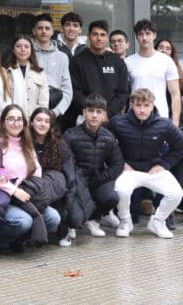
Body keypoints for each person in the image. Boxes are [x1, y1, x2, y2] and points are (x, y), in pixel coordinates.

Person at [0, 104, 61, 254]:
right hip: (5, 198)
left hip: (26, 197)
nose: (15, 123)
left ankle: (18, 241)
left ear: (24, 123)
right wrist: (13, 190)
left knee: (53, 217)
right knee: (23, 221)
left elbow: (37, 170)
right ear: (3, 122)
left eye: (19, 119)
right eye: (11, 119)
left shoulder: (26, 145)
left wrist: (33, 190)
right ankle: (0, 242)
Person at [109, 88, 183, 238]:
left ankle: (158, 221)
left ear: (152, 105)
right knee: (121, 191)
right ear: (132, 105)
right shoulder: (118, 121)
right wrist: (121, 162)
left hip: (153, 169)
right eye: (138, 105)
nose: (142, 110)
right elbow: (107, 145)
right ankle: (125, 220)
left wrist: (164, 165)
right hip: (128, 169)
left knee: (176, 193)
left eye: (146, 105)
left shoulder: (164, 124)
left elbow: (180, 147)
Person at [63, 95, 123, 237]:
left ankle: (92, 220)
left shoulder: (109, 137)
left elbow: (118, 164)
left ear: (104, 114)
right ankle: (71, 225)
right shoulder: (70, 135)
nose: (94, 115)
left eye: (99, 112)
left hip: (96, 179)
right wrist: (78, 179)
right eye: (91, 111)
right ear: (84, 112)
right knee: (70, 198)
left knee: (111, 197)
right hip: (75, 181)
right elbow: (65, 164)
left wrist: (101, 178)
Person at [68, 20, 129, 127]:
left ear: (107, 38)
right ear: (88, 37)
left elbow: (122, 93)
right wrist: (92, 113)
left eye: (102, 35)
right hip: (85, 118)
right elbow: (75, 91)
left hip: (111, 119)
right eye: (95, 34)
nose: (99, 38)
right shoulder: (77, 61)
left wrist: (107, 114)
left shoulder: (117, 62)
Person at [30, 107, 73, 246]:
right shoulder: (24, 143)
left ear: (51, 125)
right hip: (32, 186)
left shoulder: (60, 145)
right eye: (39, 120)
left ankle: (63, 233)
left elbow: (69, 172)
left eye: (46, 121)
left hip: (55, 187)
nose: (42, 124)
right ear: (31, 123)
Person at [125, 19, 180, 126]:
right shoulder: (128, 62)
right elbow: (123, 94)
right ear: (136, 37)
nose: (144, 38)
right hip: (134, 118)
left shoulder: (166, 61)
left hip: (160, 117)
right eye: (140, 34)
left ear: (154, 35)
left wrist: (175, 122)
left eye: (148, 33)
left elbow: (175, 94)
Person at [31, 13, 72, 119]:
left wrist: (55, 112)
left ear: (52, 31)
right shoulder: (26, 53)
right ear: (34, 31)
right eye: (40, 28)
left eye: (47, 28)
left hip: (54, 107)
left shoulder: (62, 57)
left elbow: (67, 90)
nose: (43, 31)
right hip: (31, 106)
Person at [5, 34, 49, 119]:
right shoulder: (6, 72)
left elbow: (43, 101)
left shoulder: (39, 73)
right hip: (12, 120)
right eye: (18, 46)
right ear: (13, 50)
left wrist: (37, 120)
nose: (23, 49)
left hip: (34, 121)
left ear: (31, 50)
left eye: (26, 46)